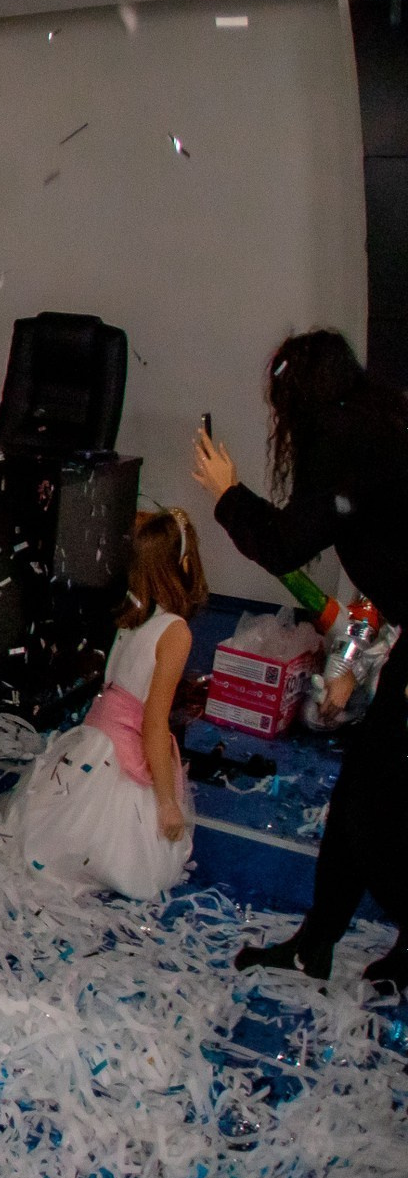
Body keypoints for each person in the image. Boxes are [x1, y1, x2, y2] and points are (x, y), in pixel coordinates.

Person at [194, 329, 408, 988]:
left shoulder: (345, 439)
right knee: (361, 794)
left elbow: (287, 543)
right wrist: (355, 658)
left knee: (371, 808)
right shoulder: (377, 420)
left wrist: (228, 492)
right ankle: (316, 943)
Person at [7, 510, 202, 900]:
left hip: (96, 738)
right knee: (145, 865)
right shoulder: (175, 632)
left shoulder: (133, 618)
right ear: (184, 564)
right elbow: (153, 723)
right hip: (123, 745)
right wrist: (167, 803)